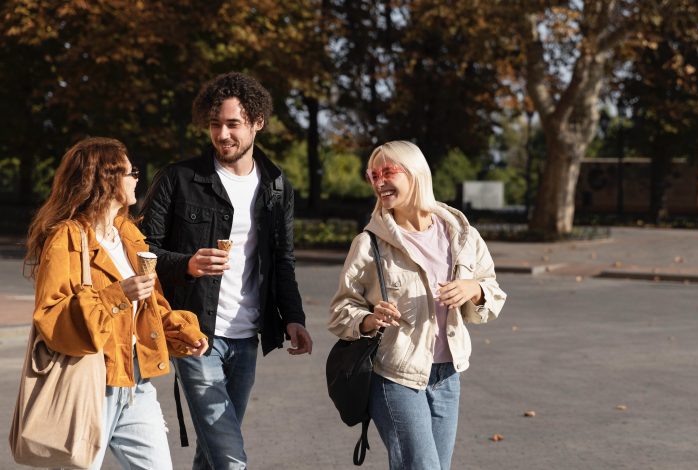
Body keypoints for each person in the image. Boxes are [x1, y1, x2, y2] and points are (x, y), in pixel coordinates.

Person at [139, 72, 313, 469]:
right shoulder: (178, 178)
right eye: (215, 124)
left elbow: (282, 259)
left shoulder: (276, 185)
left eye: (233, 124)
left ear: (257, 123)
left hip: (246, 335)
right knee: (230, 454)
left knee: (213, 451)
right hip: (194, 330)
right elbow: (141, 250)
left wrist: (294, 319)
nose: (222, 134)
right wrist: (187, 264)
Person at [24, 137, 208, 470]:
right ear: (105, 179)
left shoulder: (128, 234)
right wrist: (117, 295)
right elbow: (50, 317)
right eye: (129, 171)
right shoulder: (67, 238)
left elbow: (153, 304)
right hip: (90, 383)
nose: (137, 177)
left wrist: (183, 333)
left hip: (137, 383)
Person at [328, 140, 507, 470]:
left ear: (415, 174)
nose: (379, 182)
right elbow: (341, 311)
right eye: (373, 174)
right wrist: (369, 319)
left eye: (388, 172)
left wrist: (473, 289)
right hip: (395, 376)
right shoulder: (370, 243)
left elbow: (493, 297)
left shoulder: (460, 234)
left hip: (447, 373)